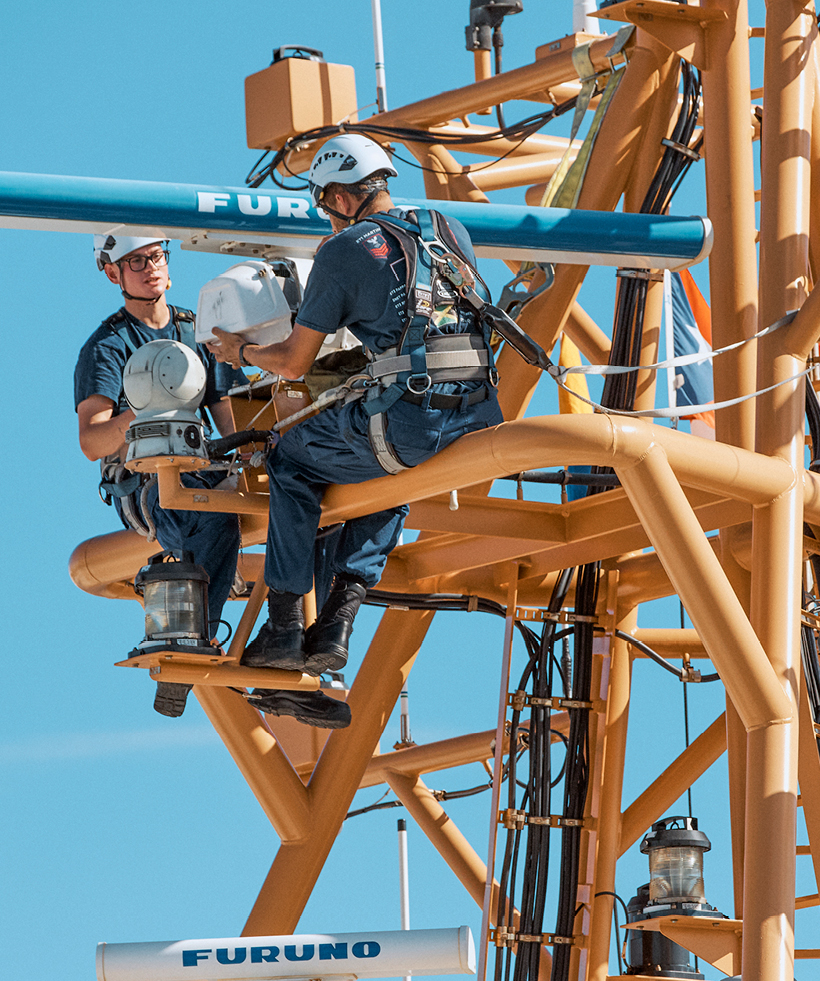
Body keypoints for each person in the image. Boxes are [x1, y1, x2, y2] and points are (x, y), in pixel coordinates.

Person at [208, 133, 503, 727]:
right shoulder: (446, 227)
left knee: (291, 456)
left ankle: (287, 626)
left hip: (413, 421)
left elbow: (293, 361)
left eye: (324, 203)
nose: (325, 215)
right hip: (474, 415)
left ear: (341, 195)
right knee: (388, 474)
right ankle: (336, 626)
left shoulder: (344, 250)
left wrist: (242, 350)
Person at [75, 235, 247, 718]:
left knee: (299, 504)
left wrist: (248, 464)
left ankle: (296, 635)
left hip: (205, 470)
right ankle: (194, 637)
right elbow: (91, 442)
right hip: (146, 487)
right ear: (113, 273)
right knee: (211, 517)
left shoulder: (198, 332)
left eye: (156, 257)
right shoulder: (109, 347)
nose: (150, 268)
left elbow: (225, 413)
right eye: (135, 261)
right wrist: (147, 411)